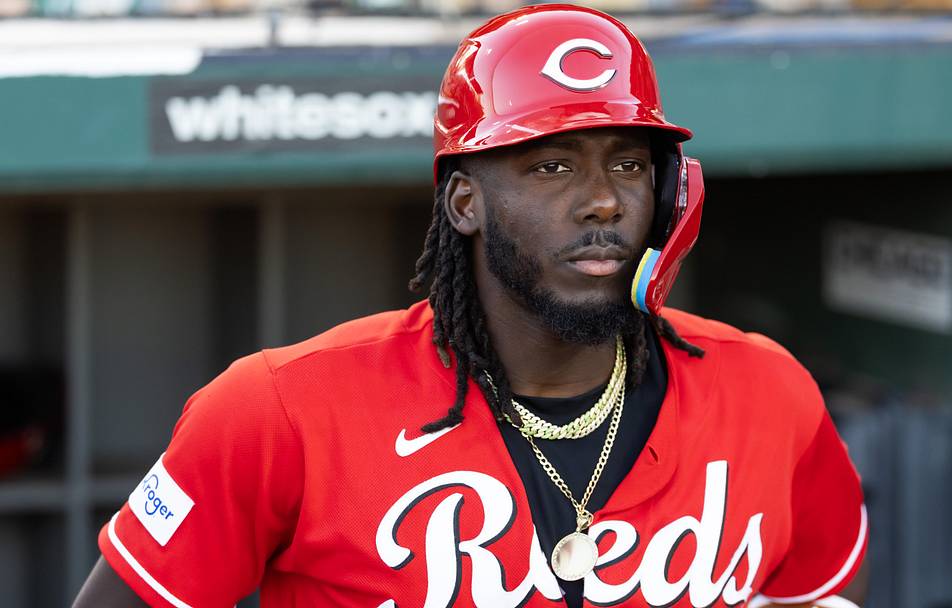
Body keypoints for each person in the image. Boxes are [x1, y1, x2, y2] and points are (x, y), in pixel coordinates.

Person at [74, 5, 866, 607]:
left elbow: (821, 593)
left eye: (628, 163)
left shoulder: (769, 391)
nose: (602, 201)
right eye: (552, 165)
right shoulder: (277, 409)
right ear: (464, 203)